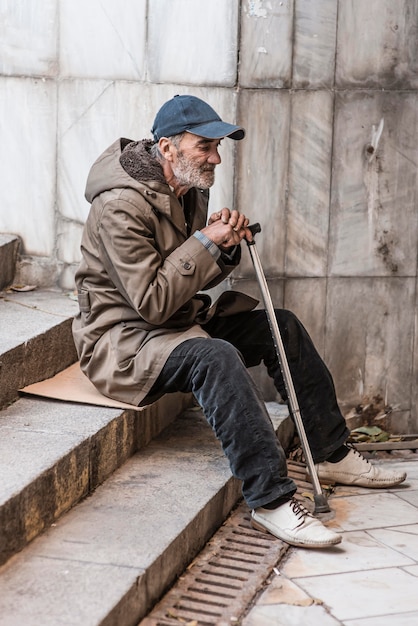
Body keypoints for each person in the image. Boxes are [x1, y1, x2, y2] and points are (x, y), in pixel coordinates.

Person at [72, 95, 406, 549]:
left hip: (174, 324)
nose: (215, 157)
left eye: (218, 145)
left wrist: (223, 244)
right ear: (167, 148)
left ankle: (329, 451)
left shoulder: (190, 188)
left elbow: (183, 279)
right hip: (125, 343)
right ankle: (270, 500)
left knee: (279, 325)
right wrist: (206, 242)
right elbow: (151, 302)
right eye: (203, 146)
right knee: (216, 357)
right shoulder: (119, 206)